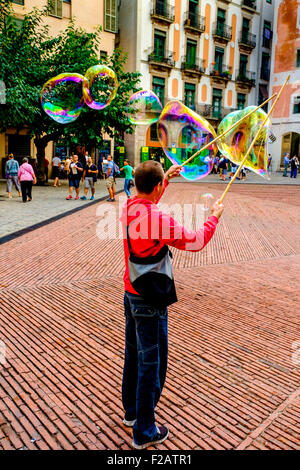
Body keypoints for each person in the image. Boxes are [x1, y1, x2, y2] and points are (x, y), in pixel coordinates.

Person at [120, 161, 224, 449]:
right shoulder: (158, 218)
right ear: (154, 188)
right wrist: (214, 216)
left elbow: (146, 204)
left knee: (133, 355)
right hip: (150, 299)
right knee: (151, 364)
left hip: (130, 292)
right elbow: (195, 241)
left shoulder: (129, 205)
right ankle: (144, 430)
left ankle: (132, 413)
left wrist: (163, 179)